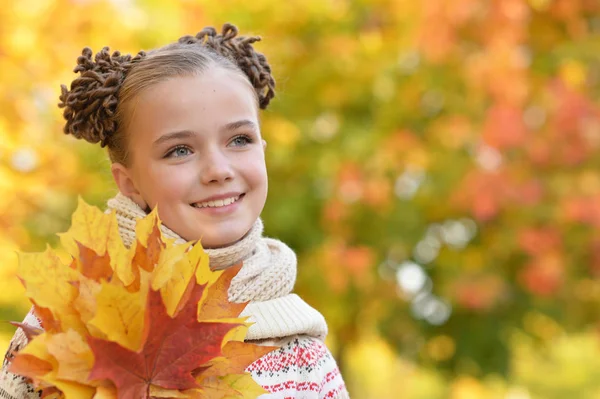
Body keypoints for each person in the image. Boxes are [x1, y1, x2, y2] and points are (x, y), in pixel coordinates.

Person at [0, 24, 349, 399]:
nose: (218, 170)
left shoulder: (305, 359)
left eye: (239, 140)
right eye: (179, 150)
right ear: (129, 182)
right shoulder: (70, 320)